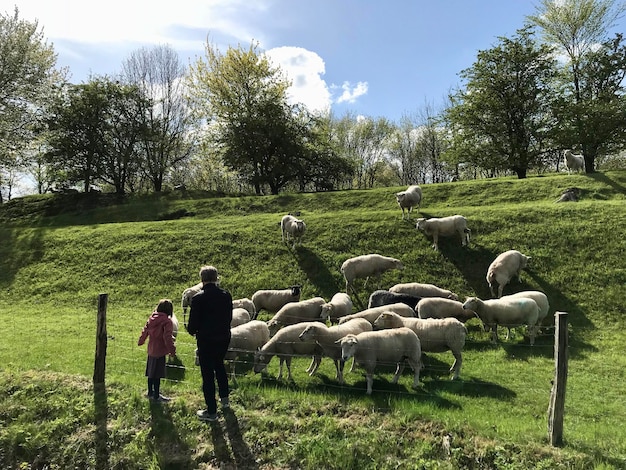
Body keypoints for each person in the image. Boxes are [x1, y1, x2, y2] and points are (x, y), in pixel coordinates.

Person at [186, 265, 233, 422]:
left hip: (206, 341)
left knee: (207, 374)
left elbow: (192, 326)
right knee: (219, 366)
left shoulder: (198, 298)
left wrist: (192, 330)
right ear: (216, 278)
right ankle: (225, 401)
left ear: (202, 279)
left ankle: (211, 412)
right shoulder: (226, 295)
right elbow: (229, 318)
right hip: (224, 338)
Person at [138, 299, 177, 403]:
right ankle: (156, 396)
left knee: (151, 372)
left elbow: (145, 330)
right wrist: (172, 350)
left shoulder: (151, 318)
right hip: (160, 350)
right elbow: (167, 337)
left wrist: (141, 341)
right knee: (158, 374)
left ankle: (150, 392)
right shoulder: (167, 322)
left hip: (151, 349)